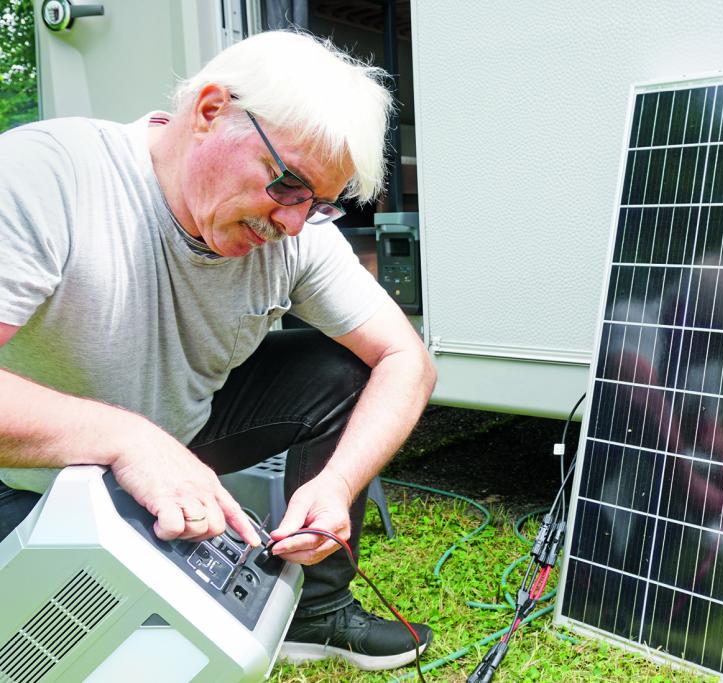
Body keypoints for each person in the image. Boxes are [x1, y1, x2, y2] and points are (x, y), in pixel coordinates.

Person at [0, 30, 436, 672]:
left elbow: (408, 360)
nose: (292, 222)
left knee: (342, 369)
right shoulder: (47, 175)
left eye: (318, 204)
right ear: (210, 111)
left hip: (180, 440)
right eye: (287, 185)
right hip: (23, 469)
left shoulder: (298, 233)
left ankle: (314, 613)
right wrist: (127, 440)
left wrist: (337, 485)